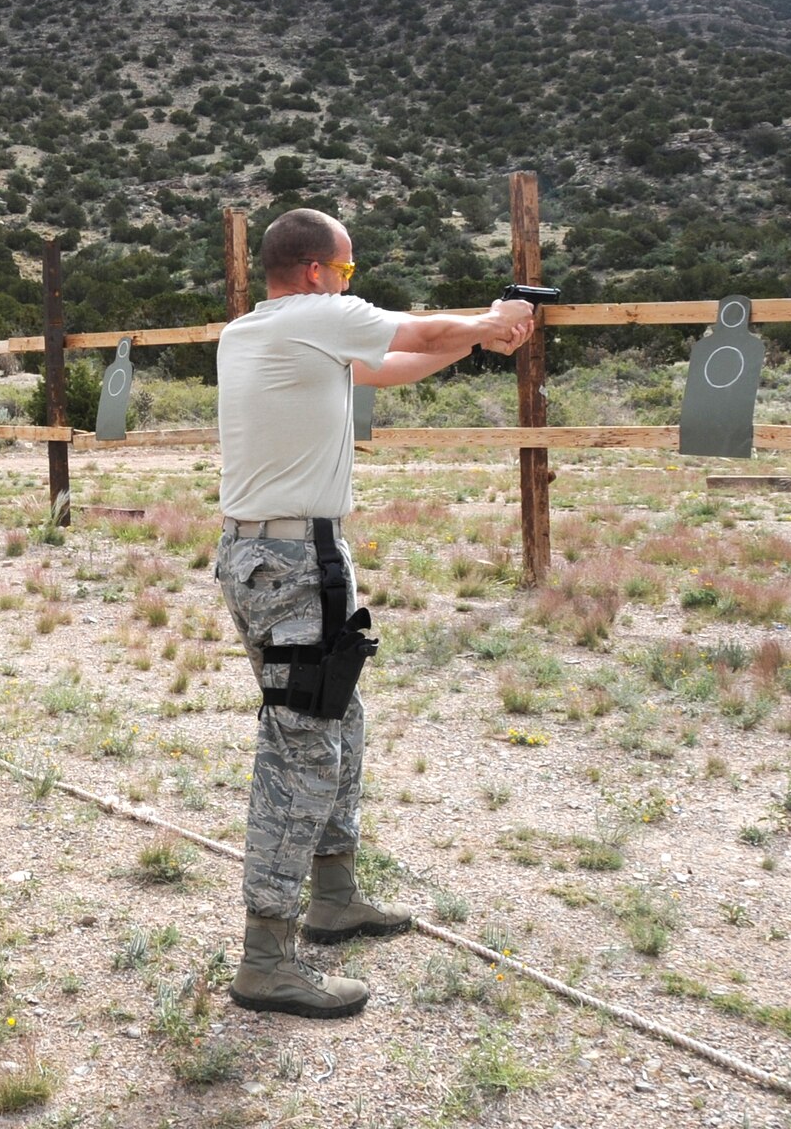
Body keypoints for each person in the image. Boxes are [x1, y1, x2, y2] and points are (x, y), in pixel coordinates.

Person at [214, 208, 533, 1018]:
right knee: (303, 751)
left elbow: (386, 367)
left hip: (287, 558)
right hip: (290, 565)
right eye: (349, 272)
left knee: (335, 723)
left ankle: (333, 898)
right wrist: (496, 320)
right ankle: (265, 959)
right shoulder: (316, 315)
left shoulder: (259, 331)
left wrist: (476, 343)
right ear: (318, 272)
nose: (352, 285)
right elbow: (418, 331)